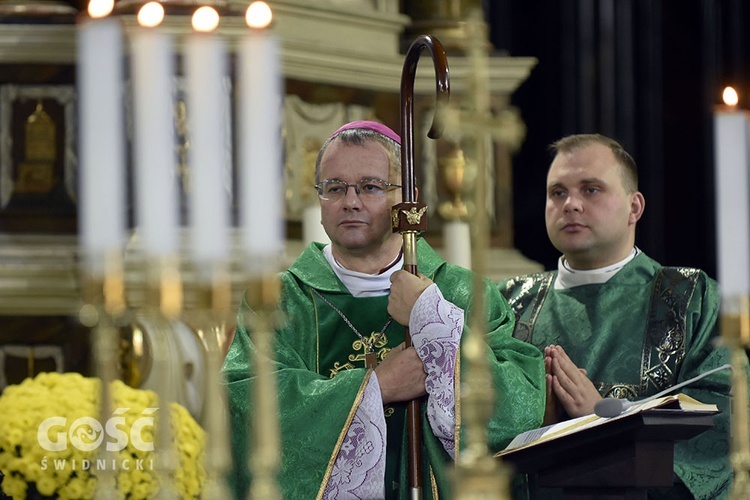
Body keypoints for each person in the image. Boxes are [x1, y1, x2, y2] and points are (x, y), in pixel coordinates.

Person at [222, 120, 546, 499]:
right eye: (334, 188)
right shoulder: (277, 299)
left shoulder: (463, 292)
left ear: (407, 200)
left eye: (371, 187)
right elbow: (245, 406)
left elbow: (519, 408)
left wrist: (431, 318)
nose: (350, 201)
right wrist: (376, 386)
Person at [499, 133, 734, 499]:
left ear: (634, 207)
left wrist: (603, 419)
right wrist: (531, 417)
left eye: (591, 190)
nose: (571, 204)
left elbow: (725, 421)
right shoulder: (509, 303)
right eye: (557, 192)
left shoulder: (689, 298)